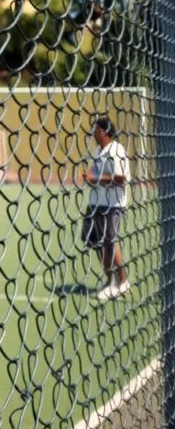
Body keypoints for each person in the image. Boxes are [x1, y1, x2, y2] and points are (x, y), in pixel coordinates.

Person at [81, 115, 131, 301]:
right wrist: (88, 175)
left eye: (96, 129)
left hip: (112, 203)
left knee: (110, 240)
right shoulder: (98, 151)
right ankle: (109, 281)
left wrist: (96, 179)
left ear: (104, 132)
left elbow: (119, 178)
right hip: (96, 202)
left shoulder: (116, 150)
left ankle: (123, 281)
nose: (93, 133)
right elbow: (94, 170)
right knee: (96, 242)